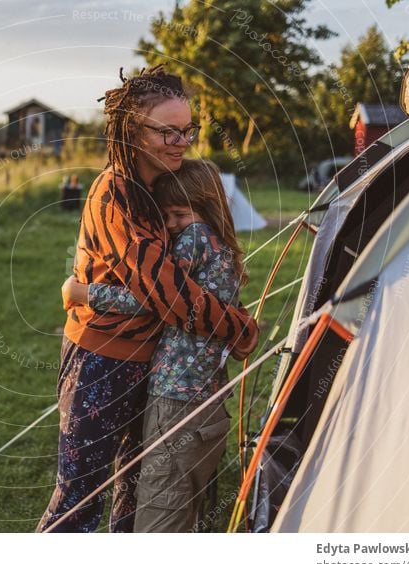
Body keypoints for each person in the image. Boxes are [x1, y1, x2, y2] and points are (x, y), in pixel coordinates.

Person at [35, 66, 259, 533]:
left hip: (151, 365)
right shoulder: (113, 195)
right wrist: (239, 328)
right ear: (133, 130)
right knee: (80, 498)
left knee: (133, 492)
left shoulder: (157, 187)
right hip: (101, 361)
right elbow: (166, 291)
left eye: (187, 130)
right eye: (168, 131)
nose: (182, 141)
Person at [63, 158, 247, 532]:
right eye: (167, 216)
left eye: (180, 213)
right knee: (177, 501)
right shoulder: (217, 243)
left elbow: (154, 296)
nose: (172, 224)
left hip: (177, 393)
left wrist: (84, 292)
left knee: (160, 504)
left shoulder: (194, 240)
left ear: (205, 207)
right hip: (204, 392)